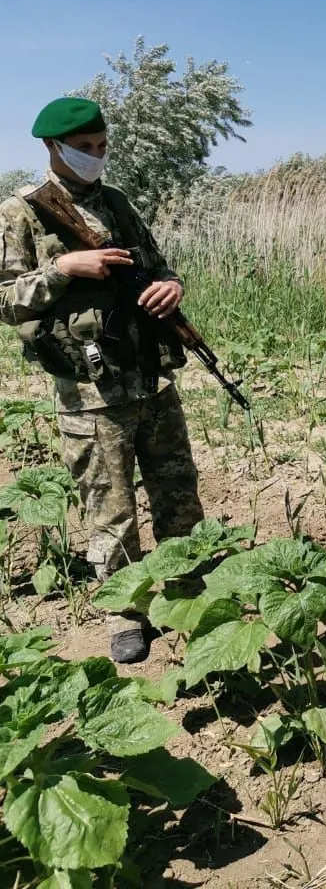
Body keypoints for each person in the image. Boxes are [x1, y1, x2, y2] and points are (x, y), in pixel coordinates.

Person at [0, 96, 204, 663]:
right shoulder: (20, 213)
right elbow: (6, 301)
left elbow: (156, 264)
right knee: (110, 509)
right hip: (90, 390)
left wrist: (170, 285)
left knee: (178, 496)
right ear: (52, 148)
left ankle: (192, 593)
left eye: (101, 145)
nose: (96, 156)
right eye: (84, 148)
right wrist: (61, 271)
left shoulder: (116, 203)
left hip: (149, 377)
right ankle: (126, 611)